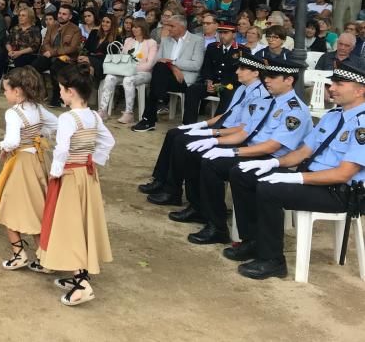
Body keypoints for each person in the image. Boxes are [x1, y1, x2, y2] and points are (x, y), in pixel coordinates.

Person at [227, 61, 365, 279]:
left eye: (339, 83)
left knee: (269, 190)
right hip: (314, 180)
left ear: (360, 90)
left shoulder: (362, 125)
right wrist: (272, 164)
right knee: (242, 174)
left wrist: (298, 178)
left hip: (339, 192)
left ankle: (272, 260)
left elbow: (343, 174)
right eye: (332, 83)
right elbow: (302, 152)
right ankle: (253, 240)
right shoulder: (332, 116)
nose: (332, 88)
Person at [181, 60, 312, 246]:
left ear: (289, 80)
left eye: (272, 77)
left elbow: (272, 147)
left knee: (219, 166)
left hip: (273, 158)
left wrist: (232, 152)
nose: (266, 80)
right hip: (253, 150)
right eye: (266, 75)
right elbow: (244, 133)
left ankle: (226, 230)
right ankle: (207, 215)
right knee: (204, 155)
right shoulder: (267, 102)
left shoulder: (295, 111)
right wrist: (214, 141)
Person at [139, 55, 269, 208]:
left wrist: (212, 133)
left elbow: (243, 128)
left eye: (242, 69)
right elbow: (227, 115)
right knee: (174, 133)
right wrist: (200, 125)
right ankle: (161, 180)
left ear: (255, 73)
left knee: (182, 141)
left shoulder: (259, 95)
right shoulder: (242, 88)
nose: (237, 71)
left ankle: (173, 191)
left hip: (232, 135)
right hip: (223, 128)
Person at [35, 65, 115, 306]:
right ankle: (79, 275)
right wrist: (93, 161)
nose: (59, 93)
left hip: (70, 176)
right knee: (82, 223)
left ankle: (82, 284)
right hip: (87, 176)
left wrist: (55, 172)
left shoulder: (68, 118)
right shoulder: (92, 115)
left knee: (70, 227)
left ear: (70, 92)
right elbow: (108, 141)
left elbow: (61, 149)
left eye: (60, 89)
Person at [0, 67, 57, 269]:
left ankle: (19, 254)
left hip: (21, 164)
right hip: (38, 160)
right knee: (38, 208)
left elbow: (12, 140)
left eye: (7, 90)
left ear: (17, 91)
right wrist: (39, 134)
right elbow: (55, 123)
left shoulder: (14, 113)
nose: (5, 93)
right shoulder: (36, 108)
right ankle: (44, 258)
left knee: (9, 207)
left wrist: (2, 147)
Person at [132, 14, 206, 132]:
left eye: (172, 26)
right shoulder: (166, 40)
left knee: (156, 80)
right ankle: (161, 98)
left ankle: (149, 119)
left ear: (182, 27)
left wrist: (173, 62)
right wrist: (172, 67)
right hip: (166, 77)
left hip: (185, 80)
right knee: (159, 69)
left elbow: (196, 65)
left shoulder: (197, 40)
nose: (168, 28)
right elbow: (158, 59)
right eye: (167, 25)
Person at [179, 21, 243, 124]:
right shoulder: (212, 47)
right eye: (220, 33)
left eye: (226, 33)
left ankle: (217, 124)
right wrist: (208, 81)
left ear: (234, 34)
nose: (222, 36)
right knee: (193, 89)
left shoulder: (242, 50)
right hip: (212, 84)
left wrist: (222, 85)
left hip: (229, 86)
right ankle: (188, 124)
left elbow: (240, 73)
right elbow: (206, 68)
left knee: (229, 94)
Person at [99, 18, 158, 124]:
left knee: (128, 80)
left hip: (144, 73)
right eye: (133, 27)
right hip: (126, 71)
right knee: (109, 77)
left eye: (137, 27)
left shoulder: (151, 43)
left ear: (143, 28)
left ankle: (129, 113)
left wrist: (131, 68)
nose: (134, 29)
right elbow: (123, 58)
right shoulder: (128, 40)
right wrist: (126, 68)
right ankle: (103, 110)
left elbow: (150, 64)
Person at [33, 5, 81, 106]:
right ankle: (42, 92)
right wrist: (50, 53)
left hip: (67, 58)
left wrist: (52, 53)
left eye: (64, 14)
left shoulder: (75, 29)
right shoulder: (52, 26)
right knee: (34, 66)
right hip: (51, 56)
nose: (61, 16)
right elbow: (45, 43)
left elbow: (72, 48)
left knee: (55, 68)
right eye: (60, 13)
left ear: (70, 17)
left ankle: (57, 97)